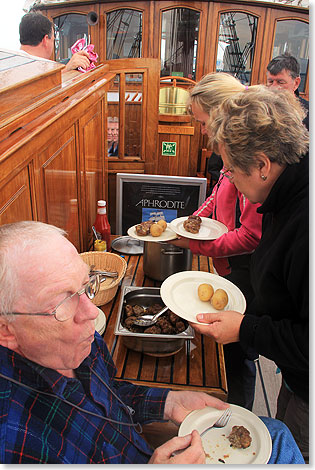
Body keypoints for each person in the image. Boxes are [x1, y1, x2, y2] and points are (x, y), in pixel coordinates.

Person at [0, 221, 305, 464]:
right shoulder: (15, 442)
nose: (91, 313)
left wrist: (170, 402)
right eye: (62, 302)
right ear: (6, 330)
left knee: (274, 434)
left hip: (142, 449)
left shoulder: (79, 343)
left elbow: (110, 395)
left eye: (85, 285)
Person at [192, 86, 309, 461]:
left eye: (230, 169)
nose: (227, 177)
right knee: (282, 427)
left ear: (261, 164)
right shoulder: (285, 190)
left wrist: (244, 329)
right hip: (294, 375)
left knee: (295, 452)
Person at [171, 72, 263, 410]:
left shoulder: (251, 160)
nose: (203, 130)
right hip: (228, 265)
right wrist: (193, 222)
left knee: (239, 354)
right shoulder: (231, 153)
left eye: (204, 121)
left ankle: (240, 414)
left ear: (222, 111)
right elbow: (218, 193)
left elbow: (252, 234)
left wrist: (198, 246)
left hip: (246, 271)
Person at [19, 12, 91, 72]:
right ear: (46, 40)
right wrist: (68, 68)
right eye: (53, 39)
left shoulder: (13, 63)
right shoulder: (36, 68)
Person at [266, 53, 309, 130]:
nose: (274, 88)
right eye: (270, 82)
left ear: (296, 83)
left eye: (280, 82)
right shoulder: (260, 109)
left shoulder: (309, 114)